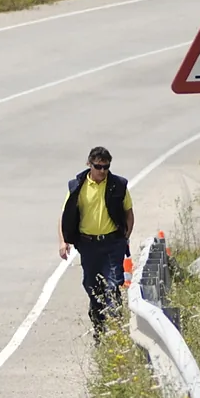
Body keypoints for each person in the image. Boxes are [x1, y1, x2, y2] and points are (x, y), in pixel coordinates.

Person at [58, 146, 134, 342]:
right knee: (93, 287)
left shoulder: (118, 185)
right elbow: (65, 216)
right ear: (89, 164)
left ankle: (117, 328)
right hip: (88, 245)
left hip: (112, 243)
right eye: (98, 166)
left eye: (105, 167)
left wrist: (125, 236)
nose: (102, 171)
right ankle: (99, 327)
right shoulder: (78, 186)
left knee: (113, 283)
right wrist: (63, 241)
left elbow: (129, 213)